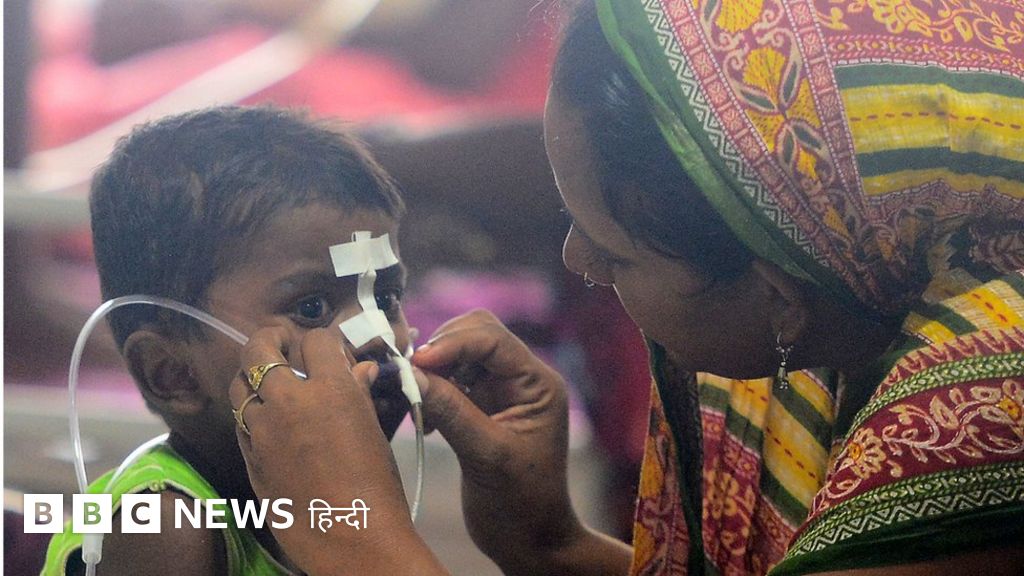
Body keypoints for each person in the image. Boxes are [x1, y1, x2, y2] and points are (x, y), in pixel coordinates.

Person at [194, 1, 1024, 575]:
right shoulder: (860, 278)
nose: (576, 261)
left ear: (778, 293)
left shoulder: (978, 420)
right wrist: (550, 545)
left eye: (617, 255)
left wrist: (357, 537)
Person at [41, 105, 418, 575]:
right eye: (311, 308)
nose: (379, 338)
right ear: (173, 373)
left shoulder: (334, 504)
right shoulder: (168, 526)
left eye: (385, 298)